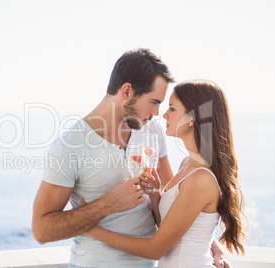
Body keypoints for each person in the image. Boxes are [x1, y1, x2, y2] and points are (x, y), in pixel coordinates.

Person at [32, 49, 228, 267]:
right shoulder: (69, 147)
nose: (158, 113)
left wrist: (210, 244)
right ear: (127, 91)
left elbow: (177, 208)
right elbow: (41, 230)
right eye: (154, 102)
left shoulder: (151, 130)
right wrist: (107, 205)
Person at [85, 80, 245, 267]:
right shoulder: (188, 164)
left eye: (172, 108)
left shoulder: (201, 179)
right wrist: (154, 192)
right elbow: (169, 227)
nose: (165, 114)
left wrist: (92, 230)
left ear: (193, 117)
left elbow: (156, 249)